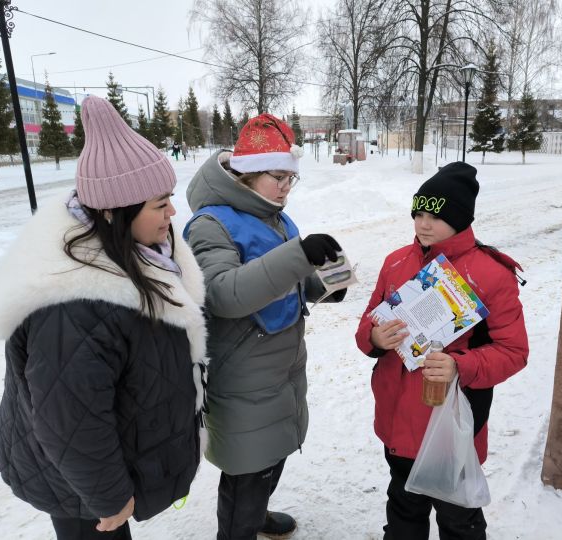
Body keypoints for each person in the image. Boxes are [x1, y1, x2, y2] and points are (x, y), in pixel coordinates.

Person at [0, 96, 207, 540]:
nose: (173, 213)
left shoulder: (142, 255)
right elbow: (68, 416)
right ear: (114, 213)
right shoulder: (76, 304)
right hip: (74, 478)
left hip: (91, 466)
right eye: (159, 204)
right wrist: (108, 495)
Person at [183, 113, 347, 540]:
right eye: (280, 177)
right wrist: (298, 256)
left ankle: (256, 517)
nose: (287, 188)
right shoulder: (210, 224)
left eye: (292, 179)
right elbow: (224, 294)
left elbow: (285, 279)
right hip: (243, 378)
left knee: (270, 459)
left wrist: (322, 286)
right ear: (249, 174)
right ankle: (239, 529)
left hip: (279, 371)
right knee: (246, 474)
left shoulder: (271, 216)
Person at [354, 162, 529, 540]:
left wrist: (459, 365)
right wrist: (374, 338)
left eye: (435, 215)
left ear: (461, 218)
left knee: (459, 523)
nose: (423, 223)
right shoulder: (396, 262)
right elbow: (367, 323)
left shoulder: (492, 274)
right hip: (397, 418)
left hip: (450, 427)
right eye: (418, 212)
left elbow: (514, 351)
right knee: (403, 515)